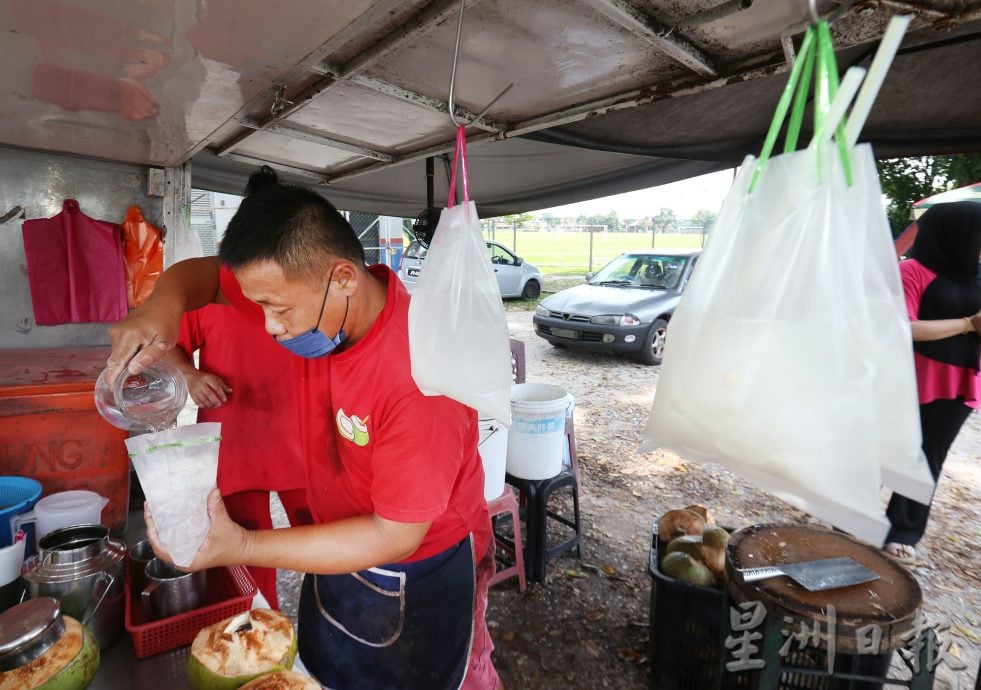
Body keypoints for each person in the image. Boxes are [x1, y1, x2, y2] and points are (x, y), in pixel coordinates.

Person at [106, 167, 501, 690]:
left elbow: (394, 535)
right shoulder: (320, 300)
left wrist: (241, 546)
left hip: (413, 569)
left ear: (343, 278)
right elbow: (196, 277)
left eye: (277, 309)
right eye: (261, 305)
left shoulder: (418, 380)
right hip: (341, 542)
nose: (268, 325)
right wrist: (160, 308)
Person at [165, 303, 312, 610]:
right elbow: (167, 346)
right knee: (243, 551)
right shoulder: (208, 292)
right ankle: (259, 631)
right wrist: (190, 376)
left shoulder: (301, 280)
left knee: (325, 539)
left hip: (305, 439)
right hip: (234, 444)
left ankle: (333, 621)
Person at [884, 201, 981, 563]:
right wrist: (968, 324)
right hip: (909, 375)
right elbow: (904, 328)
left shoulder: (975, 274)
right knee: (884, 446)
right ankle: (854, 515)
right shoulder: (913, 271)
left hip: (961, 380)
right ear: (958, 234)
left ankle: (903, 529)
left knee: (928, 456)